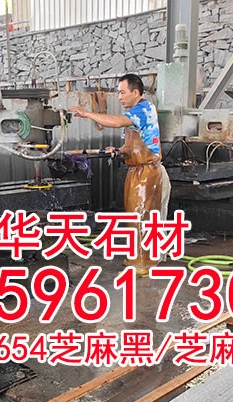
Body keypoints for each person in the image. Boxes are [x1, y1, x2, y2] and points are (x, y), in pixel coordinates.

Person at [69, 74, 171, 275]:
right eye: (118, 93)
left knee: (143, 217)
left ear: (136, 92)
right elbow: (130, 145)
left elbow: (116, 122)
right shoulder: (132, 115)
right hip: (135, 170)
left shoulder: (144, 108)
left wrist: (87, 114)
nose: (119, 97)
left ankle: (143, 263)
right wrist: (118, 150)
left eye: (123, 92)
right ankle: (137, 257)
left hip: (148, 171)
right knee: (134, 216)